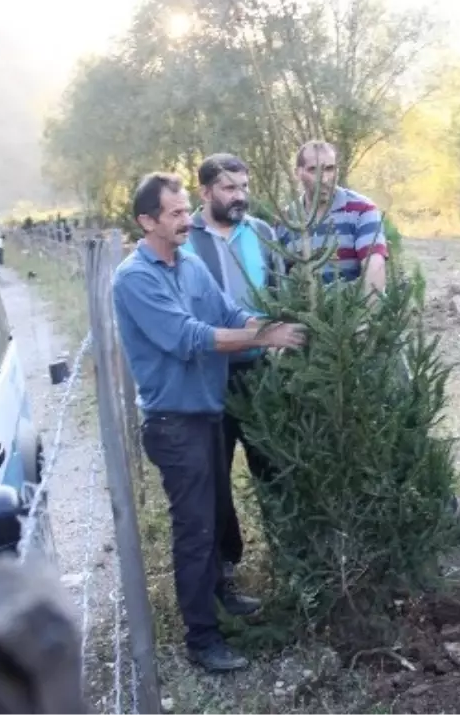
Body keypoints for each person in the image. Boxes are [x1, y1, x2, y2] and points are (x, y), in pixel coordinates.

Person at [112, 172, 306, 673]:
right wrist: (266, 338)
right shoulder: (135, 278)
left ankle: (222, 596)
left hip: (210, 410)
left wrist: (273, 326)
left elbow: (230, 312)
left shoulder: (191, 263)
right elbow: (189, 337)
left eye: (183, 211)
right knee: (195, 530)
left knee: (217, 512)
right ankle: (202, 640)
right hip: (175, 423)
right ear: (146, 221)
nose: (184, 221)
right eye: (174, 214)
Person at [180, 153, 282, 616]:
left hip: (263, 374)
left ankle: (291, 553)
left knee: (275, 466)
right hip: (210, 377)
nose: (239, 195)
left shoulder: (262, 234)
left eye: (243, 186)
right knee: (215, 477)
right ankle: (224, 573)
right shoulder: (186, 243)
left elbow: (282, 291)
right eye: (227, 188)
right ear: (204, 193)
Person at [277, 140, 388, 296]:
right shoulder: (287, 219)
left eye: (330, 169)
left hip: (351, 313)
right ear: (298, 173)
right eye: (313, 170)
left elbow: (374, 267)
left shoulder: (362, 210)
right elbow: (280, 277)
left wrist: (370, 315)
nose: (324, 179)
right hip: (302, 316)